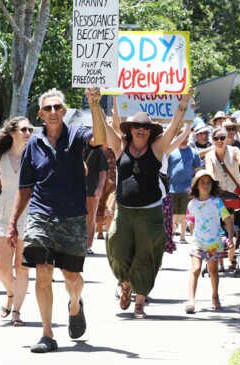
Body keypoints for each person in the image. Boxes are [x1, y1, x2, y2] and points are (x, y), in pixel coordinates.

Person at [7, 88, 106, 353]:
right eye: (47, 108)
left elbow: (100, 138)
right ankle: (47, 334)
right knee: (43, 273)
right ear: (40, 114)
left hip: (72, 216)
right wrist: (13, 222)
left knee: (72, 277)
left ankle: (75, 305)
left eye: (57, 107)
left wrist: (95, 105)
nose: (53, 112)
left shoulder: (77, 135)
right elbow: (25, 187)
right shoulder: (33, 145)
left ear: (64, 111)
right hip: (40, 215)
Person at [105, 89, 193, 319]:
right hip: (123, 211)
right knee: (115, 245)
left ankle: (140, 301)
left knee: (147, 255)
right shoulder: (120, 146)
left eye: (144, 127)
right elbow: (109, 125)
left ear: (150, 131)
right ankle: (125, 283)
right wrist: (101, 102)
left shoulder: (157, 148)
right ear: (130, 130)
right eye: (136, 126)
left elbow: (174, 126)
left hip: (150, 213)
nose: (140, 129)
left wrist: (183, 105)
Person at [0, 116, 33, 326]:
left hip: (29, 212)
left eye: (30, 129)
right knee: (3, 268)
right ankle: (12, 293)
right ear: (12, 132)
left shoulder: (35, 155)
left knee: (22, 267)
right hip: (4, 212)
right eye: (24, 130)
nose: (28, 133)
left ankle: (17, 311)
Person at [185, 170, 234, 314]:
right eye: (202, 183)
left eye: (208, 183)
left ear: (212, 185)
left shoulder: (216, 202)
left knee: (213, 271)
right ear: (196, 186)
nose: (206, 185)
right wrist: (192, 232)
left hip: (214, 243)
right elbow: (191, 222)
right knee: (195, 269)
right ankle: (191, 300)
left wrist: (230, 238)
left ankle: (215, 295)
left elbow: (228, 220)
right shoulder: (192, 204)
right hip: (198, 242)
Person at [205, 127, 240, 271]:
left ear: (227, 138)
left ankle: (232, 257)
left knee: (233, 224)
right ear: (212, 140)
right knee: (219, 226)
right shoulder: (210, 156)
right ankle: (220, 261)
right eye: (216, 138)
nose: (219, 141)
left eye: (222, 138)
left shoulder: (234, 151)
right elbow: (210, 173)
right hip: (219, 195)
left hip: (234, 193)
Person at [168, 125, 202, 244]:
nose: (185, 138)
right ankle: (171, 236)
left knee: (183, 213)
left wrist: (195, 186)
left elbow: (198, 171)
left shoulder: (193, 152)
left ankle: (182, 236)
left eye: (187, 136)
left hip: (186, 188)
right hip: (172, 188)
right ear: (178, 136)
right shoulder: (171, 151)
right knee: (172, 214)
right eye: (182, 136)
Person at [84, 145, 108, 254]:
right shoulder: (72, 146)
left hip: (91, 188)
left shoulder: (97, 150)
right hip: (74, 188)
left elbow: (103, 171)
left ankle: (88, 245)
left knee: (90, 216)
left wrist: (100, 187)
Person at [95, 146, 117, 240]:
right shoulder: (97, 149)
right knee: (99, 203)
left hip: (112, 179)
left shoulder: (113, 149)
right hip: (99, 179)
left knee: (109, 206)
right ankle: (100, 231)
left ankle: (108, 232)